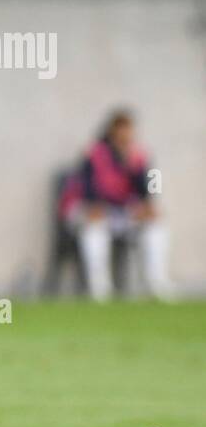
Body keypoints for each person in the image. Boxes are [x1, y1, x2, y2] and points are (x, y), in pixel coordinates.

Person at [59, 109, 172, 301]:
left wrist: (146, 207)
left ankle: (157, 283)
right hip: (84, 210)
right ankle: (99, 288)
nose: (125, 135)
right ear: (112, 131)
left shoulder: (138, 156)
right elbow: (85, 189)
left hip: (118, 213)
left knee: (156, 226)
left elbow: (146, 190)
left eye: (129, 130)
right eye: (121, 130)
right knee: (94, 230)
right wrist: (94, 208)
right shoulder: (93, 153)